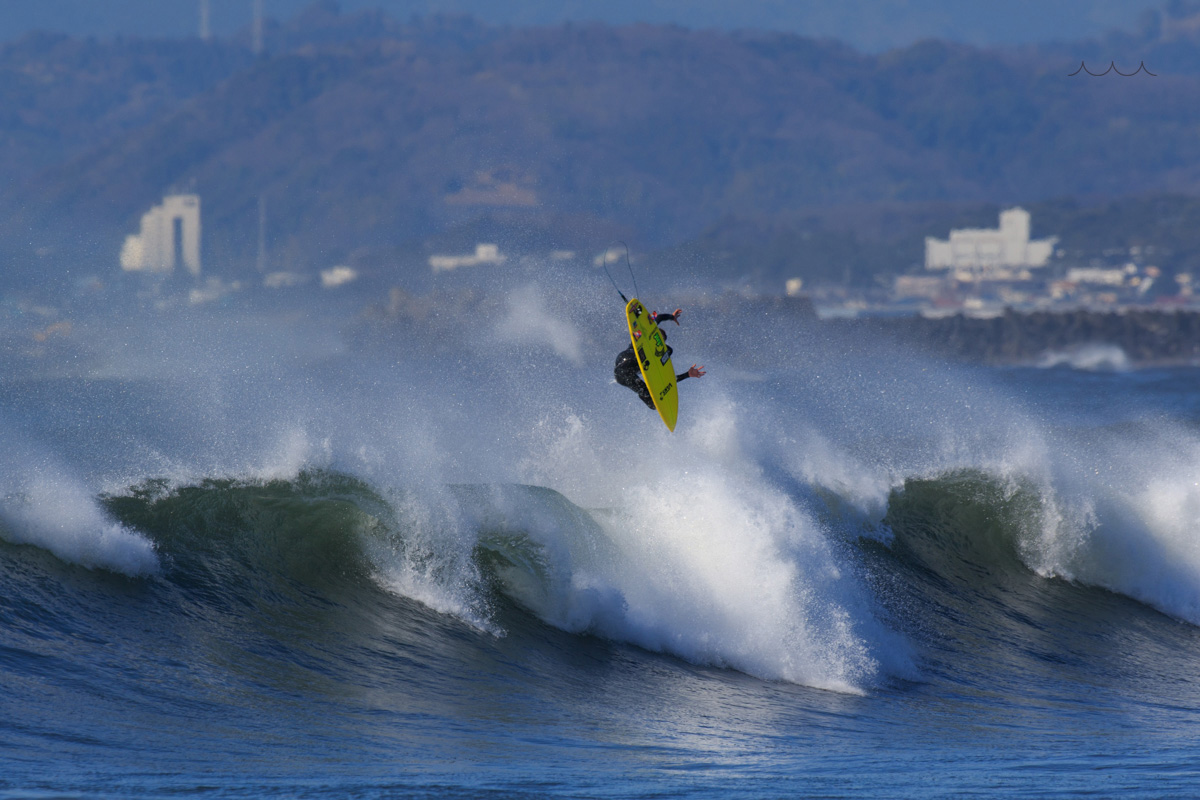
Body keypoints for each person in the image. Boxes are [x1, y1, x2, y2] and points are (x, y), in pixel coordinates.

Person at [614, 307, 705, 410]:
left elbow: (666, 381)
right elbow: (659, 318)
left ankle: (645, 394)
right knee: (667, 350)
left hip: (623, 377)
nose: (658, 341)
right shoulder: (644, 336)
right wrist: (671, 317)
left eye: (662, 340)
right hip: (626, 360)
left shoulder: (656, 360)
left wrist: (687, 375)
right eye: (659, 337)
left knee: (653, 402)